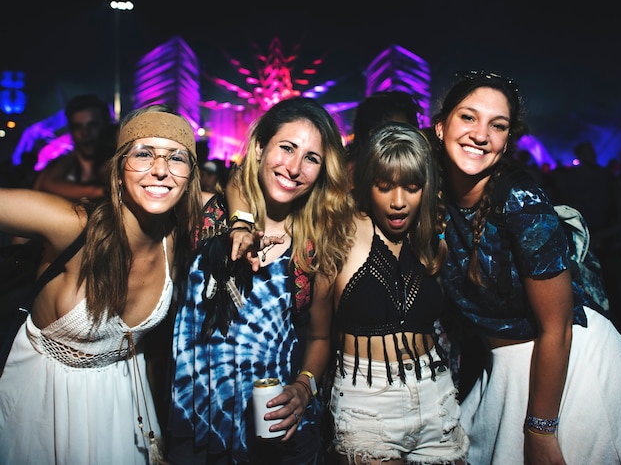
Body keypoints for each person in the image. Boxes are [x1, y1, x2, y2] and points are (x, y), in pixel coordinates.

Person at [431, 70, 621, 464]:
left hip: (566, 369)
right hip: (504, 372)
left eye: (497, 125)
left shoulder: (520, 201)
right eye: (468, 117)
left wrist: (540, 429)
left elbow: (558, 327)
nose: (480, 134)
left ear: (506, 142)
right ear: (440, 126)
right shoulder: (431, 188)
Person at [0, 105, 203, 464]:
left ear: (190, 176)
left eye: (176, 158)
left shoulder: (175, 237)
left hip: (123, 405)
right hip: (44, 405)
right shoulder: (73, 227)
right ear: (119, 168)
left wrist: (241, 222)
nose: (160, 169)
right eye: (143, 154)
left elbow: (239, 195)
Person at [168, 97, 356, 464]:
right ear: (259, 148)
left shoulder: (314, 249)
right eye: (286, 148)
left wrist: (304, 388)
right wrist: (240, 221)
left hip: (274, 434)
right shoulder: (206, 216)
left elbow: (320, 337)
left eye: (311, 158)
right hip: (196, 424)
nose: (295, 167)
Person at [329, 122, 469, 464]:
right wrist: (243, 221)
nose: (398, 202)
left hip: (436, 394)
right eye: (384, 186)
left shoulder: (432, 236)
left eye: (411, 187)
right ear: (367, 185)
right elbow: (251, 181)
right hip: (369, 401)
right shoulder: (344, 226)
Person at [33, 93, 116, 201]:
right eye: (78, 126)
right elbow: (44, 185)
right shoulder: (59, 166)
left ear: (105, 125)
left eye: (92, 125)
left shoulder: (117, 163)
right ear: (71, 130)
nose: (85, 133)